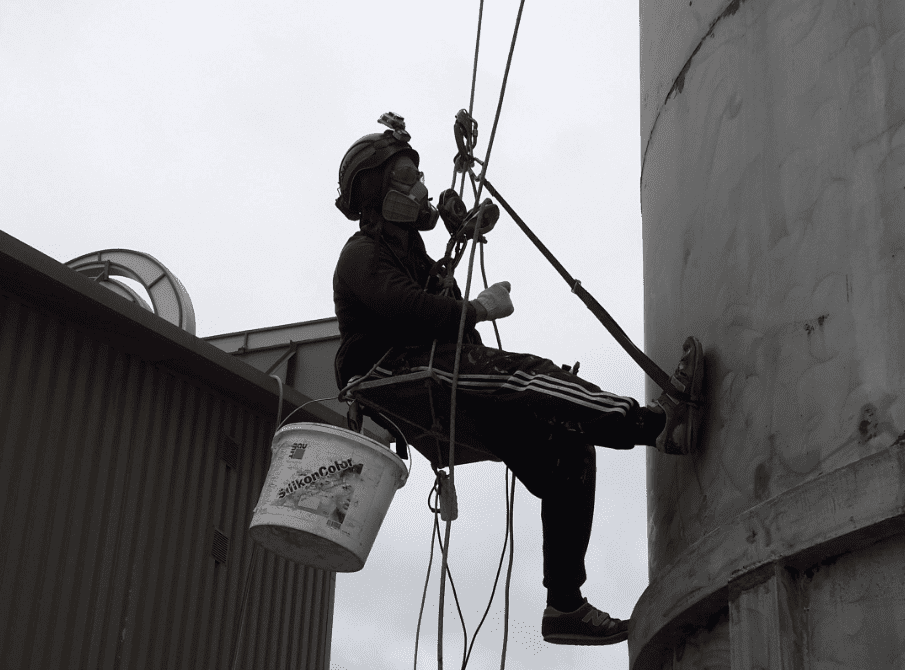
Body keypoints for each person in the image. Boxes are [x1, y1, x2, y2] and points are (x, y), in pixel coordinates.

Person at [332, 115, 703, 646]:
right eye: (406, 178)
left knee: (569, 450)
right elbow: (406, 308)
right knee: (531, 378)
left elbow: (428, 298)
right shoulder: (362, 254)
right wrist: (476, 310)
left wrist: (455, 255)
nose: (418, 189)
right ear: (377, 193)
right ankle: (659, 425)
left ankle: (565, 607)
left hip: (433, 380)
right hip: (397, 372)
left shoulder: (409, 252)